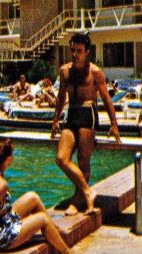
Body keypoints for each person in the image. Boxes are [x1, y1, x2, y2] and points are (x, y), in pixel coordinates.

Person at [0, 139, 80, 254]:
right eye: (12, 154)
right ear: (8, 159)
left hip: (0, 223)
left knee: (32, 197)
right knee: (43, 219)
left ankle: (54, 229)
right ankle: (65, 252)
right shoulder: (0, 185)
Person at [51, 32, 120, 215]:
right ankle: (87, 191)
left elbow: (106, 98)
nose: (75, 54)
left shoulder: (95, 72)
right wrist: (56, 119)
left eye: (79, 51)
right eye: (73, 50)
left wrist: (114, 124)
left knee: (83, 160)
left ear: (87, 51)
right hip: (71, 113)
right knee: (61, 158)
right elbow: (61, 97)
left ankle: (78, 199)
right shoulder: (65, 71)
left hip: (88, 113)